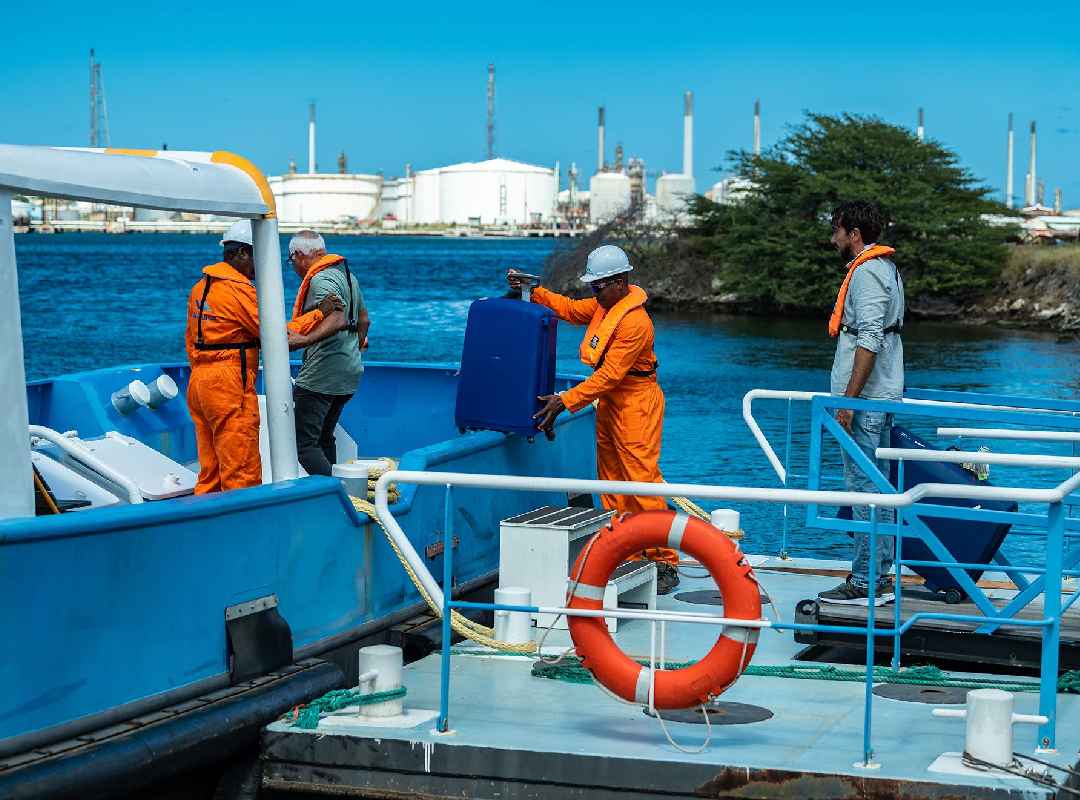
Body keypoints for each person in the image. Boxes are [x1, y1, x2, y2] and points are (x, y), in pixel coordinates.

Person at [507, 244, 679, 591]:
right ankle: (628, 549)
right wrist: (534, 291)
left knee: (642, 481)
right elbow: (570, 309)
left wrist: (564, 401)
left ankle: (664, 561)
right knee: (611, 480)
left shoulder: (635, 323)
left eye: (598, 286)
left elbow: (610, 375)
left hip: (636, 403)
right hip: (611, 403)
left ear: (620, 281)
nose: (594, 292)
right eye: (593, 286)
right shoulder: (605, 306)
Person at [186, 220, 345, 495]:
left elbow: (191, 338)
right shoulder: (237, 290)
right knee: (241, 469)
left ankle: (206, 512)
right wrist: (319, 313)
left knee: (210, 467)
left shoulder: (201, 287)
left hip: (200, 381)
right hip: (228, 385)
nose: (261, 267)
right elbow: (275, 334)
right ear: (242, 253)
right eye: (258, 257)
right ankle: (244, 517)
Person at [817, 200, 906, 606]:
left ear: (854, 234)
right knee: (879, 488)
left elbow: (869, 338)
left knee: (864, 488)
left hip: (867, 400)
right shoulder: (885, 267)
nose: (833, 237)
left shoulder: (868, 272)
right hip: (879, 395)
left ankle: (867, 578)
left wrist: (848, 401)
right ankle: (878, 574)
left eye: (837, 230)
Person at [288, 231, 369, 475]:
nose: (293, 266)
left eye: (291, 260)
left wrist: (304, 339)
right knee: (323, 438)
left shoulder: (321, 280)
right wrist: (354, 348)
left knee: (303, 445)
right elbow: (364, 320)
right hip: (349, 371)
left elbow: (337, 318)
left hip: (322, 374)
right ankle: (334, 489)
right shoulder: (348, 276)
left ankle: (335, 491)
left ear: (299, 255)